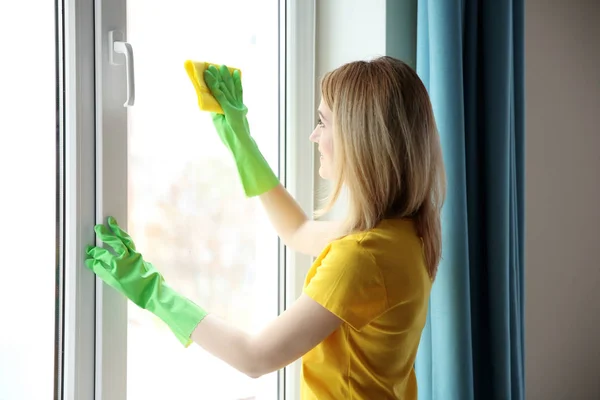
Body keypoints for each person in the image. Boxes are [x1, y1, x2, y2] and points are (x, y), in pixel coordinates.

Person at [86, 55, 446, 399]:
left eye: (322, 122)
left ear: (359, 140)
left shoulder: (361, 258)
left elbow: (255, 357)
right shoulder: (404, 234)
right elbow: (298, 231)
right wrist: (242, 143)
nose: (313, 136)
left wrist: (151, 290)